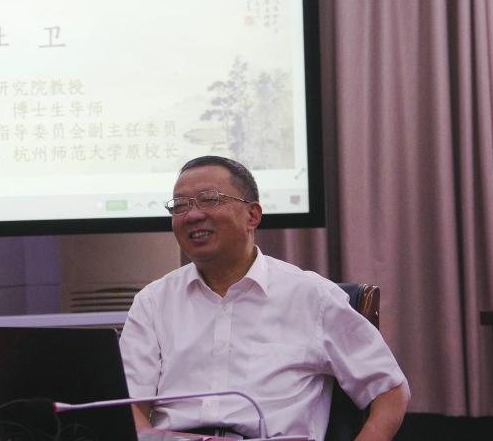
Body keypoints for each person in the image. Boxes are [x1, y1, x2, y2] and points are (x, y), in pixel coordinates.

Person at [120, 156, 410, 441]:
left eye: (209, 200)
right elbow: (127, 406)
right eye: (180, 205)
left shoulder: (312, 296)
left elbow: (390, 390)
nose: (192, 215)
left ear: (252, 216)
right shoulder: (153, 302)